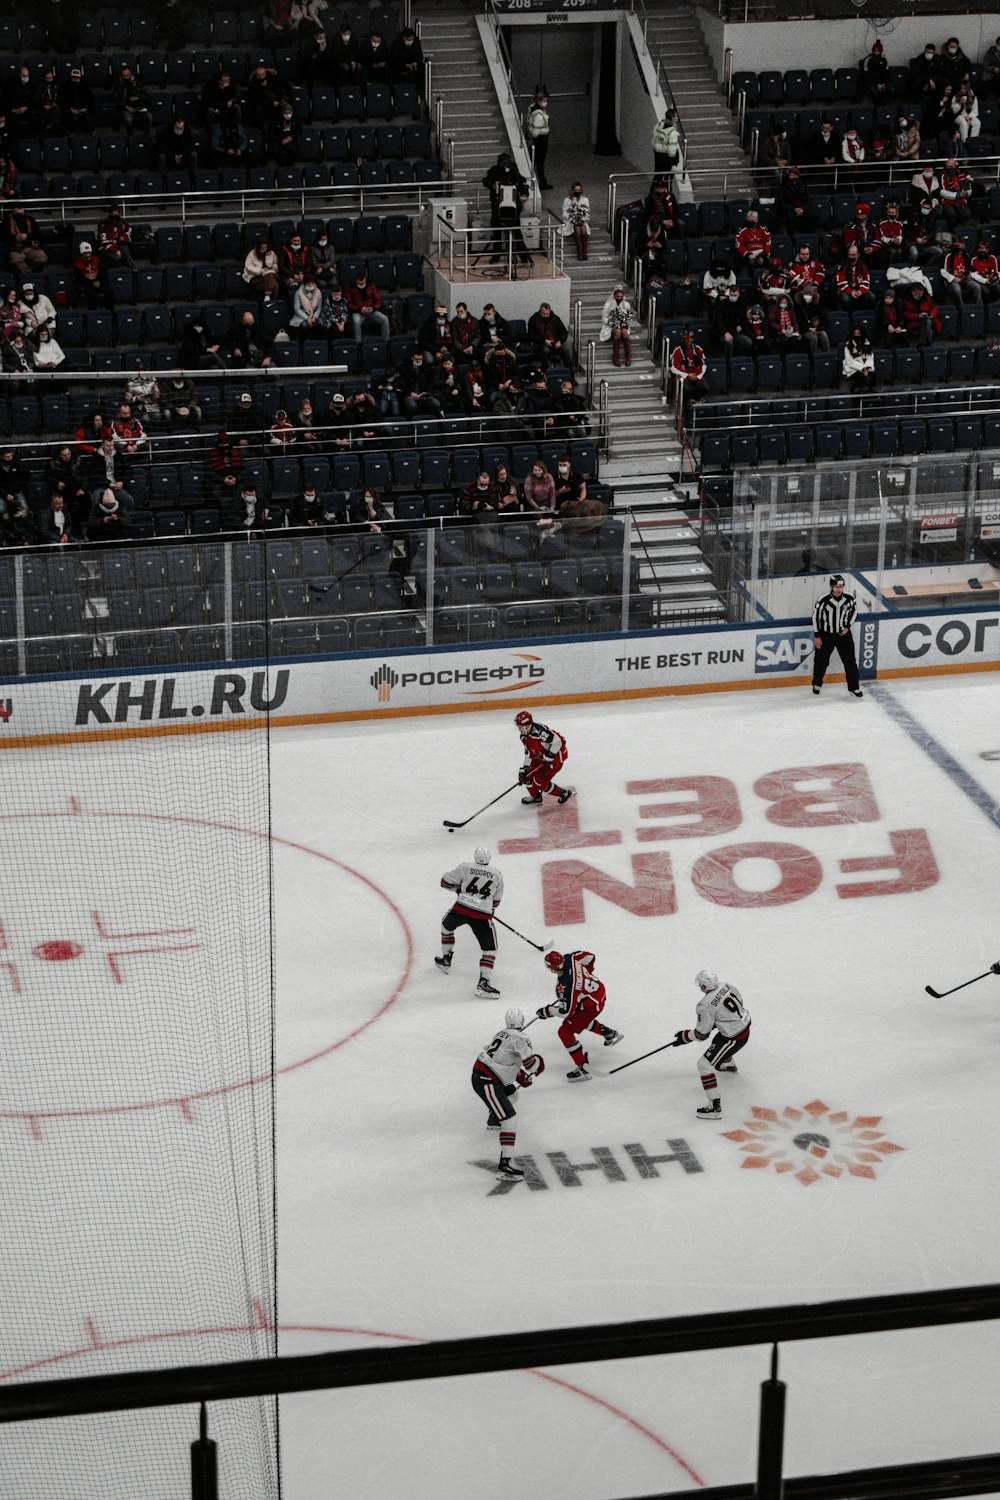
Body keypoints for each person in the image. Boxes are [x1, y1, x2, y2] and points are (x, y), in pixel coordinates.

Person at [471, 1008, 544, 1183]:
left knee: (513, 1094)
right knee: (510, 1120)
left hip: (484, 1075)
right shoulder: (521, 1038)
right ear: (522, 1021)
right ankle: (504, 1166)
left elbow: (503, 1060)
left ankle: (494, 1119)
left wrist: (520, 1076)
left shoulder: (501, 1033)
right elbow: (531, 1063)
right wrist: (539, 1064)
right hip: (488, 1080)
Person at [670, 970, 751, 1120]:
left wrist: (685, 1036)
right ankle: (727, 1063)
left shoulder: (705, 1005)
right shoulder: (726, 985)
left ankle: (714, 1106)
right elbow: (738, 1002)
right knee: (718, 1040)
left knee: (703, 1064)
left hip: (734, 1038)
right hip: (744, 1027)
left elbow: (702, 1034)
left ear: (703, 986)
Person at [535, 949, 623, 1081]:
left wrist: (548, 1011)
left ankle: (582, 1068)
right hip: (598, 991)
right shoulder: (570, 958)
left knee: (565, 1031)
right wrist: (586, 973)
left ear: (552, 969)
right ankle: (608, 1033)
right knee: (577, 1020)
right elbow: (590, 956)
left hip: (592, 1006)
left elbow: (566, 1012)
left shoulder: (566, 987)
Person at [435, 845, 504, 997]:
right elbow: (497, 900)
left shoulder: (465, 867)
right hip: (482, 914)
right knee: (490, 949)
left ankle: (446, 960)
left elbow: (444, 881)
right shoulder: (497, 874)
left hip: (462, 908)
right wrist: (489, 910)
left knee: (446, 927)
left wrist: (458, 889)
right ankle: (484, 983)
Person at [812, 573, 863, 697]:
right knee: (821, 661)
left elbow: (854, 612)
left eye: (841, 586)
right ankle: (817, 683)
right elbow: (815, 617)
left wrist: (847, 627)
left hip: (843, 635)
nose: (839, 589)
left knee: (850, 661)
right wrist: (817, 635)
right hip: (826, 635)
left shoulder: (850, 598)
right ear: (831, 586)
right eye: (836, 586)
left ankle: (854, 687)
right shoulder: (823, 600)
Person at [515, 710, 573, 807]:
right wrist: (525, 768)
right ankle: (536, 797)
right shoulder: (523, 737)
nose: (519, 729)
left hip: (556, 757)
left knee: (539, 782)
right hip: (542, 756)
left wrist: (550, 754)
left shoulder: (540, 731)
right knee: (526, 776)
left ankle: (564, 793)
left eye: (520, 727)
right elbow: (528, 752)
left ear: (527, 725)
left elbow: (557, 741)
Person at [483, 152, 530, 265]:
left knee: (516, 230)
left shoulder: (514, 170)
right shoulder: (494, 171)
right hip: (497, 205)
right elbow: (486, 181)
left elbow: (522, 182)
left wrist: (525, 194)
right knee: (497, 231)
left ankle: (523, 255)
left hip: (513, 206)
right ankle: (496, 254)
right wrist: (492, 184)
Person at [601, 283, 633, 368]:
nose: (619, 298)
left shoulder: (626, 305)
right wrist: (609, 320)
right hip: (611, 327)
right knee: (618, 331)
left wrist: (625, 319)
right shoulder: (608, 305)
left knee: (624, 331)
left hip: (623, 326)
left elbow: (629, 317)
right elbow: (603, 318)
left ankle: (628, 356)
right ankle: (616, 356)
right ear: (614, 295)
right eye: (617, 297)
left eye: (621, 297)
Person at [526, 90, 552, 189]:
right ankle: (542, 182)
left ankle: (540, 180)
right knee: (540, 161)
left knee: (536, 161)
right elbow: (537, 125)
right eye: (544, 100)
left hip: (537, 138)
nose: (546, 102)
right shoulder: (538, 113)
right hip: (540, 138)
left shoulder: (532, 108)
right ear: (540, 101)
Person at [242, 235, 280, 301]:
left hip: (270, 274)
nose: (263, 249)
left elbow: (276, 264)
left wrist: (272, 267)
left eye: (265, 247)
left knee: (271, 275)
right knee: (275, 285)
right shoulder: (251, 254)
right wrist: (261, 271)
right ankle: (272, 302)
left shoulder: (271, 253)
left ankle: (267, 297)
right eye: (262, 247)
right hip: (257, 276)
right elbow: (248, 267)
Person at [561, 182, 590, 260]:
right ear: (573, 190)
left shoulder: (585, 199)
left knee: (583, 228)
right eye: (576, 190)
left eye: (579, 190)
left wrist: (582, 217)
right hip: (570, 221)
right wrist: (572, 215)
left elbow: (587, 213)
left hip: (582, 221)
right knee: (577, 228)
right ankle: (580, 253)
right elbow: (564, 213)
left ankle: (585, 252)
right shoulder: (567, 200)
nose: (578, 192)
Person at [651, 107, 682, 175]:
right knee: (667, 177)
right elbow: (671, 148)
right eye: (675, 116)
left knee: (658, 175)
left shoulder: (658, 126)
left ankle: (656, 185)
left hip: (658, 154)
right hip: (667, 157)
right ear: (672, 118)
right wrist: (673, 163)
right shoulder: (672, 131)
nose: (677, 118)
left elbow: (653, 139)